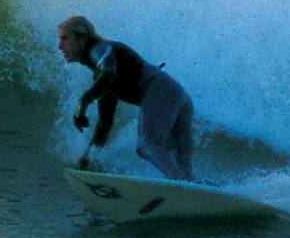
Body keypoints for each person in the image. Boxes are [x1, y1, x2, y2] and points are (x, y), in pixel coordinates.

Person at [57, 15, 195, 181]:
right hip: (176, 94)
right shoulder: (102, 77)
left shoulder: (100, 48)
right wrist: (87, 160)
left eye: (65, 38)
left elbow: (108, 72)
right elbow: (104, 124)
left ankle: (179, 184)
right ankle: (197, 189)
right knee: (177, 160)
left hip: (160, 91)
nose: (60, 46)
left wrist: (84, 101)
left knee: (147, 146)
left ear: (82, 38)